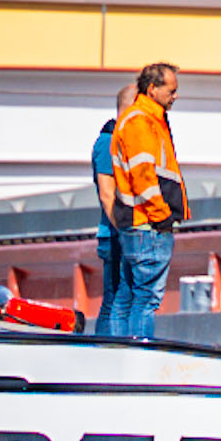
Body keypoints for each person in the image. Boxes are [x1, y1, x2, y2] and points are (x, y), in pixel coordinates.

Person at [106, 63, 188, 341]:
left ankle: (119, 360)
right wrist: (162, 215)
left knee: (127, 296)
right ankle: (138, 360)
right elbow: (144, 176)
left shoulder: (143, 119)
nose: (175, 96)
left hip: (136, 223)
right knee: (146, 300)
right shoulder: (141, 121)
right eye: (171, 90)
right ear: (152, 89)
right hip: (147, 225)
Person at [90, 83, 137, 335]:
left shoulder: (121, 141)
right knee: (116, 299)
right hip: (116, 235)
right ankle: (106, 350)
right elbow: (108, 195)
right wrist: (126, 233)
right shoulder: (108, 142)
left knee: (120, 298)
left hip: (121, 233)